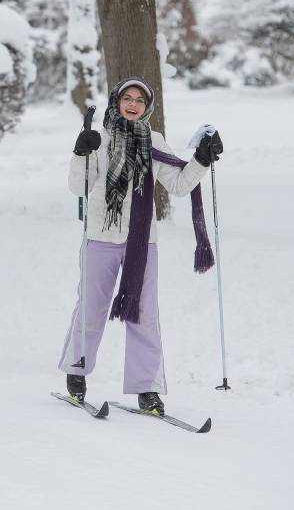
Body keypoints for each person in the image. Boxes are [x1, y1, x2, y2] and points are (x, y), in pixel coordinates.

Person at [58, 76, 223, 415]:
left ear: (147, 107)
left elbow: (178, 184)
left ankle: (146, 388)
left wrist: (202, 160)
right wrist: (80, 151)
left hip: (142, 242)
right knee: (90, 308)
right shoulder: (100, 140)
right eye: (127, 97)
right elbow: (79, 186)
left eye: (140, 100)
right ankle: (76, 370)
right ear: (117, 101)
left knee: (145, 315)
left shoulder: (154, 140)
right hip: (100, 239)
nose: (133, 104)